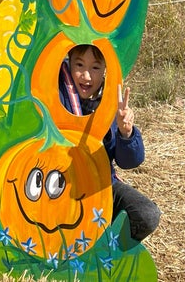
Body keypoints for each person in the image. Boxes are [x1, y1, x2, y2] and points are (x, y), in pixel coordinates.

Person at [59, 44, 161, 242]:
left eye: (95, 68)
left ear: (105, 68)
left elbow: (129, 162)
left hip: (100, 185)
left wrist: (126, 132)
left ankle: (106, 248)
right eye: (79, 65)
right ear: (68, 62)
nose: (86, 76)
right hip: (59, 183)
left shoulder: (111, 100)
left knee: (147, 215)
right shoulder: (56, 91)